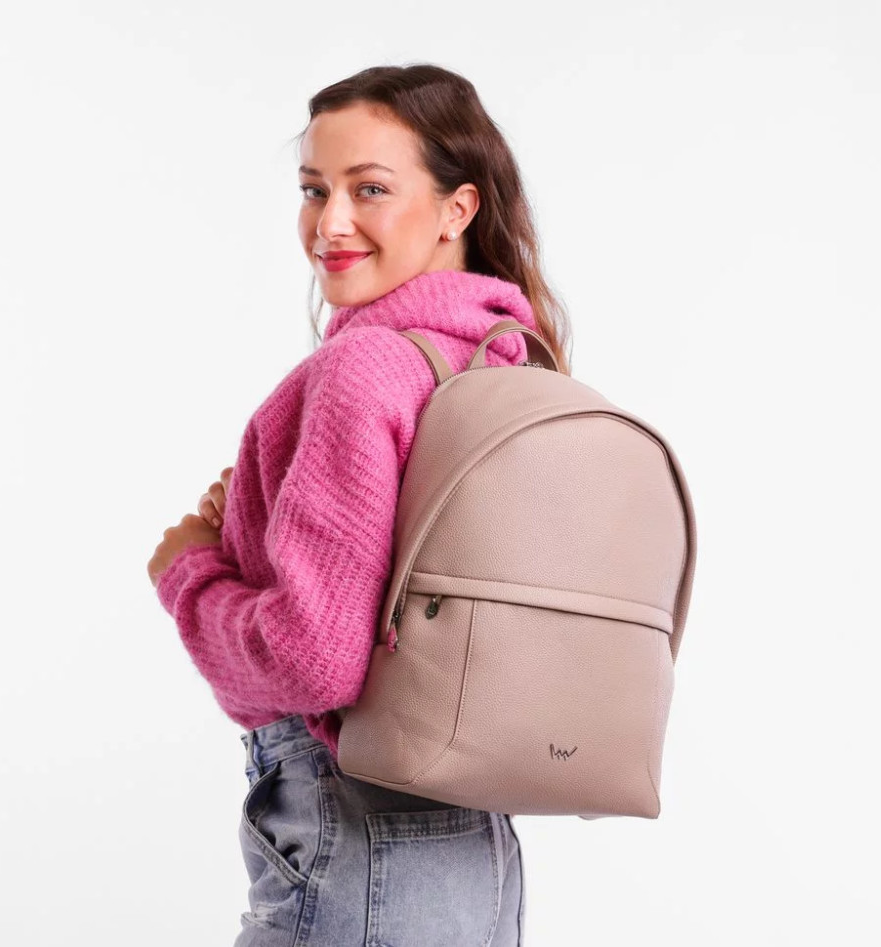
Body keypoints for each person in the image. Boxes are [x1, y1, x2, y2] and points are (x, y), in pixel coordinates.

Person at [147, 64, 573, 946]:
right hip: (477, 852)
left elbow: (313, 663)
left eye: (369, 189)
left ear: (458, 208)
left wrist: (190, 570)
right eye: (314, 190)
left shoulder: (363, 368)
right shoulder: (509, 361)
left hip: (361, 842)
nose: (330, 223)